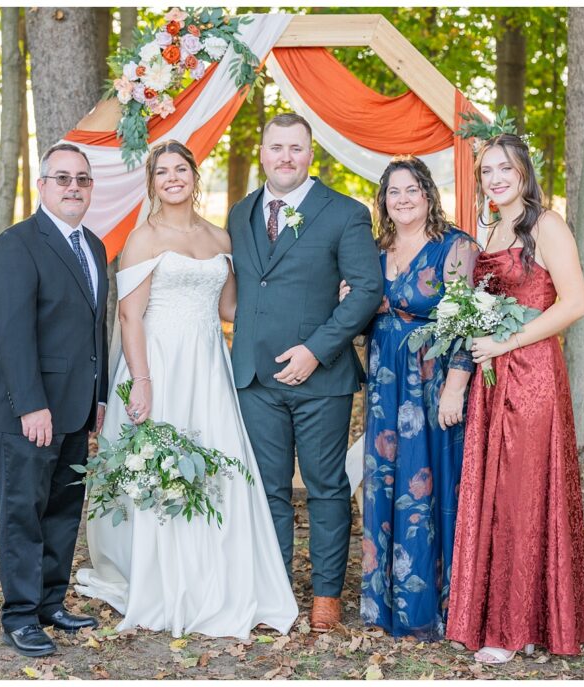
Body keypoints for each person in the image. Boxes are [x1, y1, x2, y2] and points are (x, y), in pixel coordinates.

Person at [74, 140, 298, 639]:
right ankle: (167, 579)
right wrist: (144, 382)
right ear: (152, 182)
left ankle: (218, 577)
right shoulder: (143, 238)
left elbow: (232, 310)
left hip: (208, 365)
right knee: (165, 468)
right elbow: (130, 315)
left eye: (181, 169)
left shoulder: (220, 237)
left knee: (218, 462)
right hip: (159, 363)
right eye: (162, 172)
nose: (173, 178)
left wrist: (304, 304)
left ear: (196, 177)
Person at [227, 113, 384, 631]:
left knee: (325, 486)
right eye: (277, 148)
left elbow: (365, 290)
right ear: (264, 152)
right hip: (255, 379)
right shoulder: (241, 212)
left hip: (321, 378)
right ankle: (274, 594)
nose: (286, 157)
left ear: (310, 154)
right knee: (268, 489)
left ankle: (325, 597)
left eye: (296, 148)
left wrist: (315, 351)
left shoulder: (344, 213)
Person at [445, 133, 584, 661]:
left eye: (505, 168)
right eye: (487, 171)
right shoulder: (491, 228)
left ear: (524, 171)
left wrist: (507, 340)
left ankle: (514, 627)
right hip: (491, 378)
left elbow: (574, 303)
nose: (496, 178)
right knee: (495, 492)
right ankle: (513, 619)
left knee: (523, 492)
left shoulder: (546, 224)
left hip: (531, 375)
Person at [0, 143, 109, 657]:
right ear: (42, 185)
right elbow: (12, 335)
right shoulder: (17, 244)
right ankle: (19, 614)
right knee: (22, 512)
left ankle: (50, 602)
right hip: (30, 411)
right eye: (62, 178)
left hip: (77, 406)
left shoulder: (95, 246)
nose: (73, 187)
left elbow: (94, 328)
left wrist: (99, 395)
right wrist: (31, 405)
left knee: (62, 508)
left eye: (81, 179)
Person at [350, 155, 478, 640]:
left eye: (412, 190)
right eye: (393, 192)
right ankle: (386, 606)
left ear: (428, 195)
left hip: (431, 382)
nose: (402, 200)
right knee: (385, 483)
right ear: (383, 200)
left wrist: (456, 384)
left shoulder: (456, 247)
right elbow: (361, 311)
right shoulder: (372, 249)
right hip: (384, 382)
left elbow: (468, 320)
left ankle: (436, 606)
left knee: (432, 485)